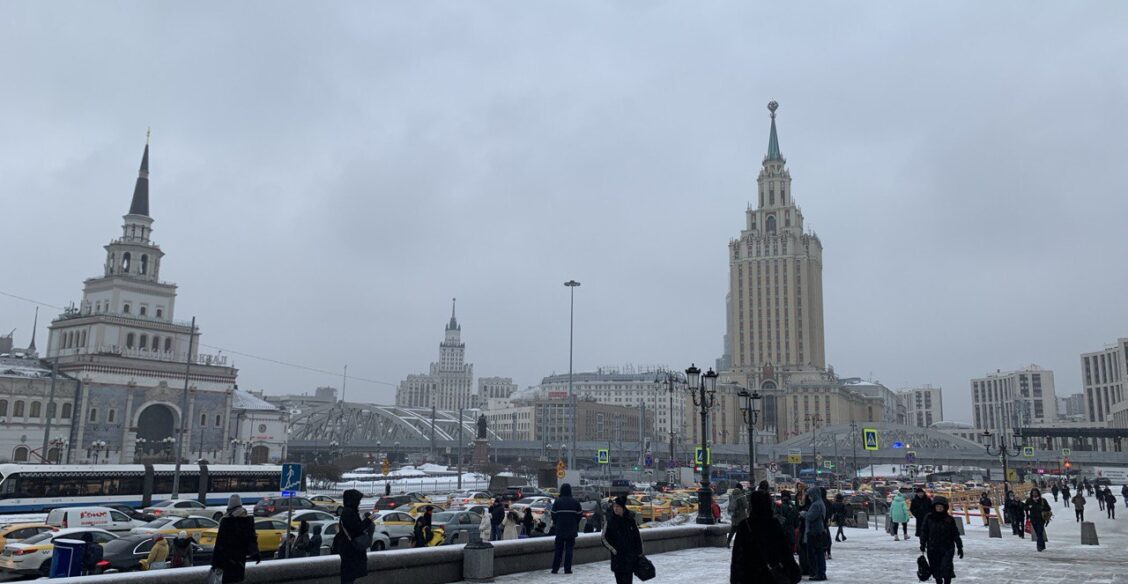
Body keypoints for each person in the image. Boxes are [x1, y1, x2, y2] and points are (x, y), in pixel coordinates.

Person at [730, 490, 801, 584]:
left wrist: (735, 578)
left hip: (750, 576)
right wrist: (793, 571)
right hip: (772, 576)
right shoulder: (774, 525)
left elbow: (737, 557)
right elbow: (785, 551)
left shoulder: (745, 526)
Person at [211, 494, 260, 584]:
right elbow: (252, 539)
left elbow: (220, 543)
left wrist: (215, 563)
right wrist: (255, 554)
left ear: (230, 506)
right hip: (240, 561)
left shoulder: (226, 521)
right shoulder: (247, 520)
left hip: (227, 562)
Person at [919, 495, 963, 584]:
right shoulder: (929, 518)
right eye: (937, 506)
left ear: (945, 507)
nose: (939, 508)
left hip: (947, 547)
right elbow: (924, 532)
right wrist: (922, 544)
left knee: (946, 567)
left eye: (941, 507)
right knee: (936, 568)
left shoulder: (949, 519)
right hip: (933, 548)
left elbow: (955, 533)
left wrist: (959, 546)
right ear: (934, 507)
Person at [601, 496, 643, 584]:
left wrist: (639, 553)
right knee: (620, 581)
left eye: (618, 507)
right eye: (614, 506)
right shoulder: (610, 521)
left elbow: (637, 537)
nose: (615, 509)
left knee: (628, 581)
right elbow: (604, 538)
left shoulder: (630, 520)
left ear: (623, 508)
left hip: (630, 558)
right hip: (618, 559)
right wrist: (614, 550)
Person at [336, 489, 374, 584]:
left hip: (349, 550)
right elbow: (357, 528)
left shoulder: (348, 511)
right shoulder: (349, 512)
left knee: (349, 577)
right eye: (358, 500)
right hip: (351, 550)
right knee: (349, 577)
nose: (359, 503)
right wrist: (368, 520)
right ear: (353, 500)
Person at [550, 483, 583, 574]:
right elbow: (580, 515)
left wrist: (557, 522)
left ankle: (555, 568)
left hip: (560, 529)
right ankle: (567, 569)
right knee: (569, 550)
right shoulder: (575, 502)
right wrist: (575, 523)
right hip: (571, 530)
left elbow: (553, 514)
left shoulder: (557, 501)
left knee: (558, 549)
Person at [802, 487, 829, 581]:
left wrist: (803, 514)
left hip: (814, 531)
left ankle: (818, 573)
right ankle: (820, 572)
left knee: (815, 554)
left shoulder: (816, 504)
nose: (809, 497)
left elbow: (811, 517)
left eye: (809, 495)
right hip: (818, 531)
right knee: (819, 553)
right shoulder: (820, 503)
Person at [1025, 488, 1051, 552]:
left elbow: (1048, 508)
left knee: (1039, 532)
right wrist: (1029, 507)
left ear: (1038, 493)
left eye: (1036, 492)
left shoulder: (1043, 500)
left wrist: (1042, 509)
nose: (1034, 494)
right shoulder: (1029, 500)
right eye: (1033, 493)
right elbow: (1025, 507)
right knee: (1038, 533)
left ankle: (1039, 546)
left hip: (1041, 519)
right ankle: (1042, 545)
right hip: (1033, 519)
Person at [726, 484, 748, 548]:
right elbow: (746, 506)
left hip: (734, 517)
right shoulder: (741, 496)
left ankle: (728, 542)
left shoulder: (731, 496)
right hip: (741, 517)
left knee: (732, 531)